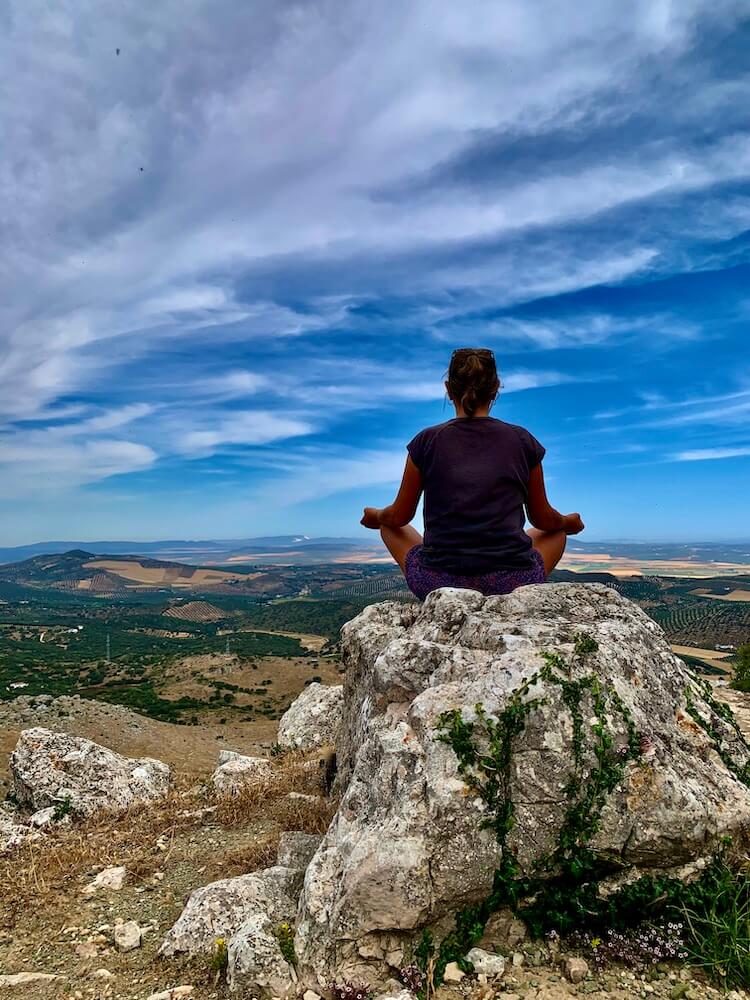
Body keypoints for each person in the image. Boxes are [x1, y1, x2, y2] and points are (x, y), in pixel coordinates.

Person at [360, 347, 584, 601]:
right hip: (510, 583)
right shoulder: (522, 440)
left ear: (448, 388)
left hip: (439, 583)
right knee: (554, 533)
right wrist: (568, 522)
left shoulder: (427, 441)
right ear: (496, 387)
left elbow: (399, 516)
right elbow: (544, 520)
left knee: (389, 527)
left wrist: (376, 516)